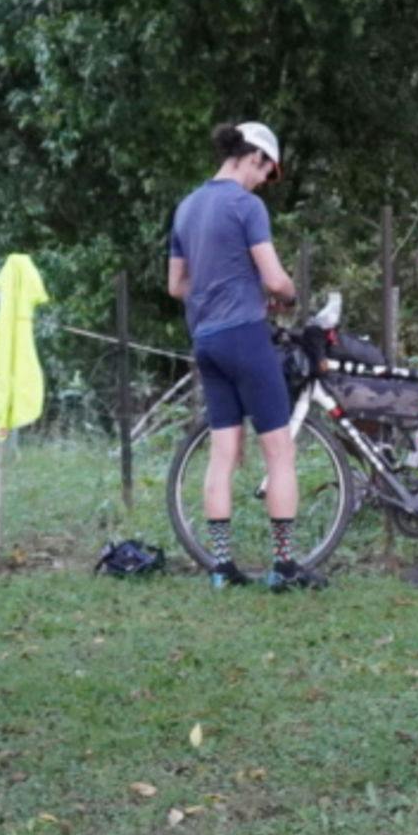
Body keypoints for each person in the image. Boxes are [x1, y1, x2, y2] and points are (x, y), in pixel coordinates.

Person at [168, 121, 312, 589]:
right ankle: (285, 567)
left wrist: (218, 291)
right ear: (256, 158)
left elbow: (177, 286)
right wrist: (289, 294)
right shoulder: (245, 207)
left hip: (206, 340)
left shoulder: (188, 207)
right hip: (246, 338)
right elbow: (274, 279)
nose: (264, 184)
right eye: (267, 174)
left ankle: (223, 569)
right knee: (279, 452)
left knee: (223, 452)